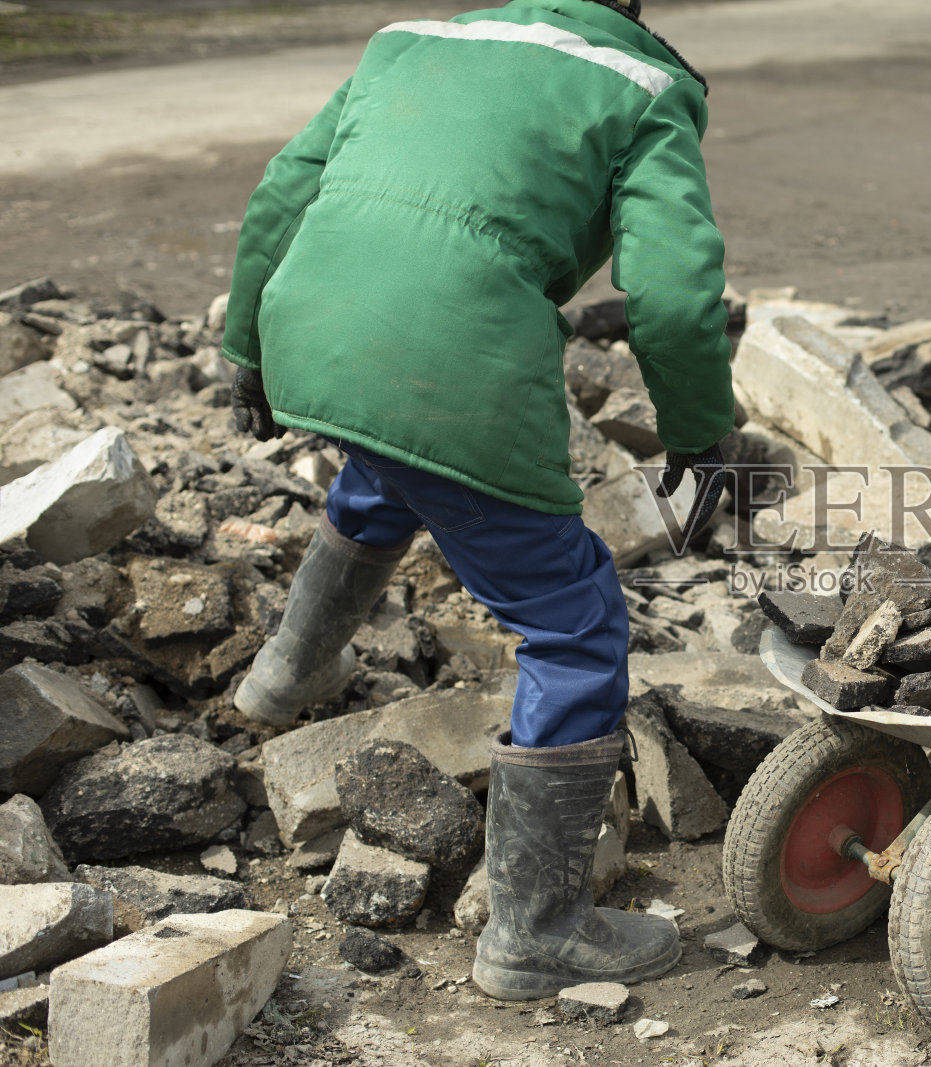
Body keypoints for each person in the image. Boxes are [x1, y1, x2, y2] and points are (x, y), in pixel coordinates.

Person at [219, 0, 733, 1001]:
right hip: (455, 361)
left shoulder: (412, 42)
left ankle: (282, 677)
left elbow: (284, 190)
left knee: (385, 472)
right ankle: (537, 932)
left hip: (317, 329)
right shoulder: (643, 88)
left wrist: (247, 344)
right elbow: (673, 294)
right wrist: (699, 429)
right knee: (574, 622)